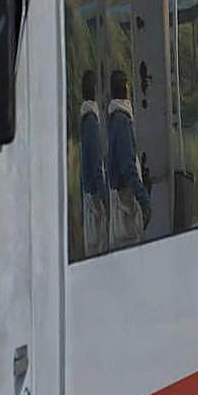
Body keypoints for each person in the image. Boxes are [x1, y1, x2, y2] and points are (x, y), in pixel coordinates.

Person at [106, 69, 151, 247]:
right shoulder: (122, 122)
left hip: (118, 200)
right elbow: (128, 166)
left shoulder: (113, 121)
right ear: (126, 88)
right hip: (126, 203)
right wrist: (143, 198)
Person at [79, 69, 108, 257]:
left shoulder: (84, 120)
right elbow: (96, 164)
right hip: (94, 199)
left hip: (88, 195)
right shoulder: (92, 123)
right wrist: (104, 198)